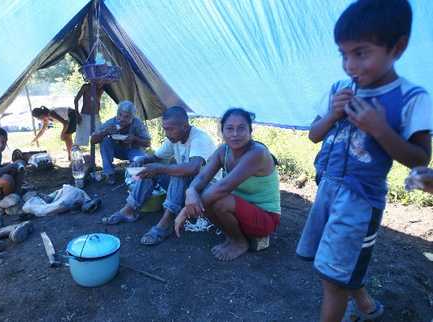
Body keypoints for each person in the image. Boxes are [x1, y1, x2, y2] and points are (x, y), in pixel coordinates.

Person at [295, 1, 432, 321]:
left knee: (332, 277)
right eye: (343, 54)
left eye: (361, 53)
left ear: (397, 47)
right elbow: (314, 135)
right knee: (336, 263)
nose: (349, 65)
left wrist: (380, 129)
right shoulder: (339, 89)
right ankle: (368, 307)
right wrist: (332, 114)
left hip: (360, 200)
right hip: (327, 187)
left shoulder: (413, 98)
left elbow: (421, 157)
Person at [174, 108, 281, 261]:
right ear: (222, 131)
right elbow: (202, 177)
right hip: (240, 210)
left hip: (265, 218)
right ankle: (233, 236)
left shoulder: (257, 153)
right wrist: (190, 191)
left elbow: (224, 187)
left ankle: (239, 242)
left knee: (217, 197)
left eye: (241, 128)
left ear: (250, 130)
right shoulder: (223, 151)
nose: (235, 134)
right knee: (205, 193)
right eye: (229, 128)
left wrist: (185, 211)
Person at [101, 106, 217, 246]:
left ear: (185, 126)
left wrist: (161, 168)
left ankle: (166, 221)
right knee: (149, 171)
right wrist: (142, 161)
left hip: (206, 189)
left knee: (177, 171)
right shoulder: (173, 138)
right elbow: (156, 157)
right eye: (165, 128)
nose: (167, 133)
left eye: (170, 129)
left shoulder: (199, 139)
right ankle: (129, 210)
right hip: (187, 189)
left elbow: (193, 168)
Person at [91, 100, 151, 184]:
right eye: (120, 115)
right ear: (117, 114)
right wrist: (106, 132)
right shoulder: (111, 123)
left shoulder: (137, 123)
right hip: (116, 150)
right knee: (105, 140)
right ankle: (109, 173)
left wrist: (135, 139)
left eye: (126, 117)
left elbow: (148, 143)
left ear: (132, 117)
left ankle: (133, 177)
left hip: (133, 150)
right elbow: (93, 140)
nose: (122, 119)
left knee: (141, 159)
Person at [74, 82, 105, 147]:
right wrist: (77, 114)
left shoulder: (101, 89)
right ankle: (76, 153)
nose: (101, 82)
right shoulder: (86, 87)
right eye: (100, 81)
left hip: (95, 115)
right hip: (85, 115)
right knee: (79, 140)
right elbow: (76, 100)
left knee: (101, 136)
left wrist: (98, 113)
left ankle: (98, 151)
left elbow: (97, 102)